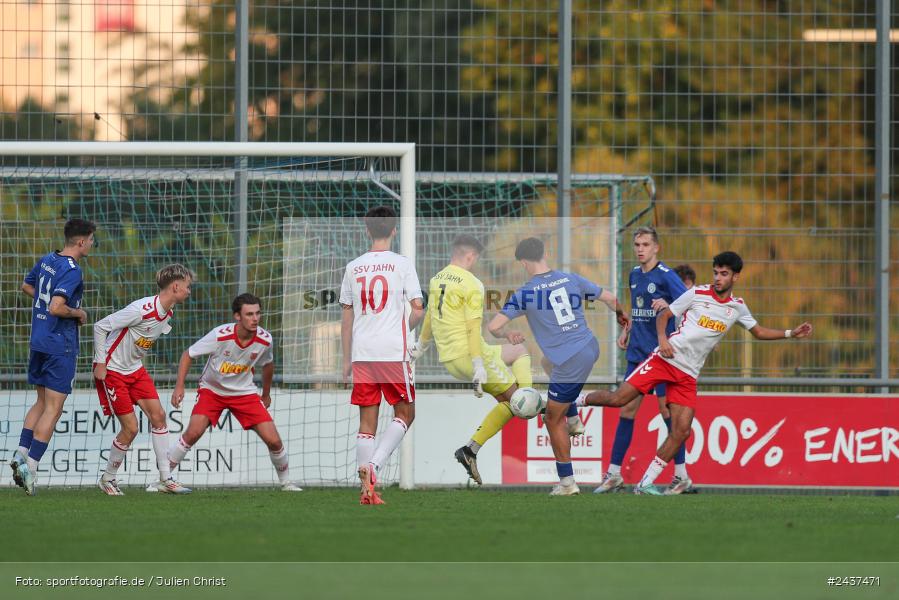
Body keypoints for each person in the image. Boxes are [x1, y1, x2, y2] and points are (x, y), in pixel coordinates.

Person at [578, 251, 812, 494]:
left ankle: (645, 484)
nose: (718, 278)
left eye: (724, 274)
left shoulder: (737, 307)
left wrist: (790, 333)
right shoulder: (698, 293)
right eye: (716, 273)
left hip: (688, 375)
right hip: (665, 360)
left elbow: (759, 332)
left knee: (681, 431)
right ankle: (572, 401)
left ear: (736, 277)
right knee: (619, 399)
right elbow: (665, 315)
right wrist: (662, 340)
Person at [487, 238, 628, 495]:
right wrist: (621, 316)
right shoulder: (570, 278)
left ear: (523, 263)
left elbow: (493, 327)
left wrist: (508, 334)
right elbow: (610, 298)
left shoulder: (526, 293)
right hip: (589, 346)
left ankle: (567, 483)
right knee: (546, 361)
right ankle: (573, 418)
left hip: (570, 360)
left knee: (552, 418)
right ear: (545, 254)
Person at [409, 234, 535, 486]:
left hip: (452, 359)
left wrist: (420, 347)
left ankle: (530, 394)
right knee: (521, 404)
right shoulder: (472, 283)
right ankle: (471, 449)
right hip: (472, 357)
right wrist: (479, 366)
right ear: (471, 256)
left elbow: (432, 318)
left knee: (519, 351)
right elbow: (472, 328)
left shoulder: (437, 278)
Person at [168, 293, 302, 492]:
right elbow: (188, 354)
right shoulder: (220, 335)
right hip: (212, 391)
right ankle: (163, 478)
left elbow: (268, 364)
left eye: (257, 313)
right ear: (237, 316)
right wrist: (179, 386)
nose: (255, 318)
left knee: (274, 440)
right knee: (194, 432)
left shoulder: (265, 339)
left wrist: (265, 394)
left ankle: (286, 483)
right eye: (249, 314)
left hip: (244, 394)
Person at [594, 227, 691, 495]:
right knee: (626, 410)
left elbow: (690, 304)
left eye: (645, 244)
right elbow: (638, 307)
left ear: (656, 248)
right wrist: (628, 329)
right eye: (637, 244)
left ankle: (681, 475)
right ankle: (613, 474)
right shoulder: (635, 274)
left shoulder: (667, 276)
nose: (640, 249)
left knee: (667, 413)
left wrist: (669, 306)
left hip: (661, 356)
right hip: (637, 353)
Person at [340, 206, 424, 504]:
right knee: (406, 413)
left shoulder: (353, 267)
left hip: (362, 354)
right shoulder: (402, 264)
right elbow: (417, 308)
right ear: (394, 230)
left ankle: (366, 490)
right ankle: (373, 468)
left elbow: (347, 317)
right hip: (392, 352)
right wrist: (405, 329)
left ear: (367, 230)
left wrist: (345, 359)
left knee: (367, 421)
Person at [10, 218, 96, 495]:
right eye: (92, 239)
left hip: (38, 339)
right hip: (60, 345)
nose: (92, 244)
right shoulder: (73, 271)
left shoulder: (48, 258)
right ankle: (30, 468)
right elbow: (59, 307)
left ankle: (21, 453)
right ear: (81, 241)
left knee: (41, 401)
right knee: (54, 409)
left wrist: (44, 306)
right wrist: (79, 314)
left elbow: (27, 286)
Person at [92, 264, 194, 495]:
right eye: (188, 286)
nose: (189, 291)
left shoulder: (168, 313)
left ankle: (166, 479)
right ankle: (108, 478)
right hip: (113, 370)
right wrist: (100, 363)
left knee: (159, 417)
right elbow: (100, 327)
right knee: (131, 429)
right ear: (176, 286)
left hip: (135, 371)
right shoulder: (140, 309)